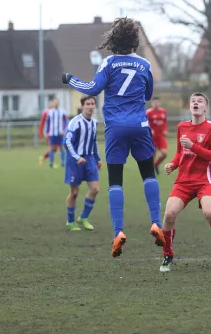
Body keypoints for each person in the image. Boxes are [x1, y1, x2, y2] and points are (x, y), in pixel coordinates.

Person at [61, 17, 164, 258]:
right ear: (135, 40)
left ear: (113, 40)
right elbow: (149, 94)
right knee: (148, 174)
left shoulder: (108, 63)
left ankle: (118, 232)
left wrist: (70, 79)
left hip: (116, 127)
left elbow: (91, 90)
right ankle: (156, 223)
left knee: (116, 180)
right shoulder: (145, 65)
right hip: (140, 125)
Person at [159, 92, 211, 273]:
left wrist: (193, 146)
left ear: (206, 107)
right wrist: (173, 164)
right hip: (183, 181)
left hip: (205, 180)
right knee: (169, 214)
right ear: (190, 106)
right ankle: (167, 255)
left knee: (209, 213)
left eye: (200, 101)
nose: (196, 103)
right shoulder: (182, 127)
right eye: (193, 101)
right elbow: (180, 152)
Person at [64, 96, 102, 231]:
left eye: (93, 104)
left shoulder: (94, 123)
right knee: (74, 192)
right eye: (88, 104)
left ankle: (83, 217)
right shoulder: (75, 122)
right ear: (82, 106)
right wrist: (76, 157)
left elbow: (94, 141)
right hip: (75, 161)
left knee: (95, 189)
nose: (91, 106)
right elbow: (67, 142)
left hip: (90, 159)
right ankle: (70, 221)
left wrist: (98, 158)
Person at [44, 97, 68, 169]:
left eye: (57, 102)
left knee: (62, 147)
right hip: (52, 133)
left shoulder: (62, 112)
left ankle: (63, 162)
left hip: (60, 133)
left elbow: (66, 122)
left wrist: (65, 130)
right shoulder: (50, 113)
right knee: (52, 148)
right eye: (55, 102)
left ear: (59, 103)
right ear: (53, 103)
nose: (56, 103)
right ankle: (51, 163)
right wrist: (46, 132)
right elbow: (47, 123)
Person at [146, 97, 168, 175]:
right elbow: (145, 122)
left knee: (164, 153)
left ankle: (156, 165)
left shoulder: (163, 111)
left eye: (157, 102)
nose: (156, 104)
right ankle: (150, 171)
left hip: (160, 135)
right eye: (154, 102)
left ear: (159, 102)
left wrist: (165, 129)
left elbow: (165, 121)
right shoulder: (148, 112)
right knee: (152, 155)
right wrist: (149, 129)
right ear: (152, 103)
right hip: (152, 137)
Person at [38, 99, 54, 166]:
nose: (52, 105)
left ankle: (42, 158)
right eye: (51, 104)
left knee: (54, 149)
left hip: (55, 133)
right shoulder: (46, 112)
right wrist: (41, 133)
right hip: (48, 133)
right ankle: (52, 163)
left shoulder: (55, 111)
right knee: (52, 148)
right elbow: (42, 123)